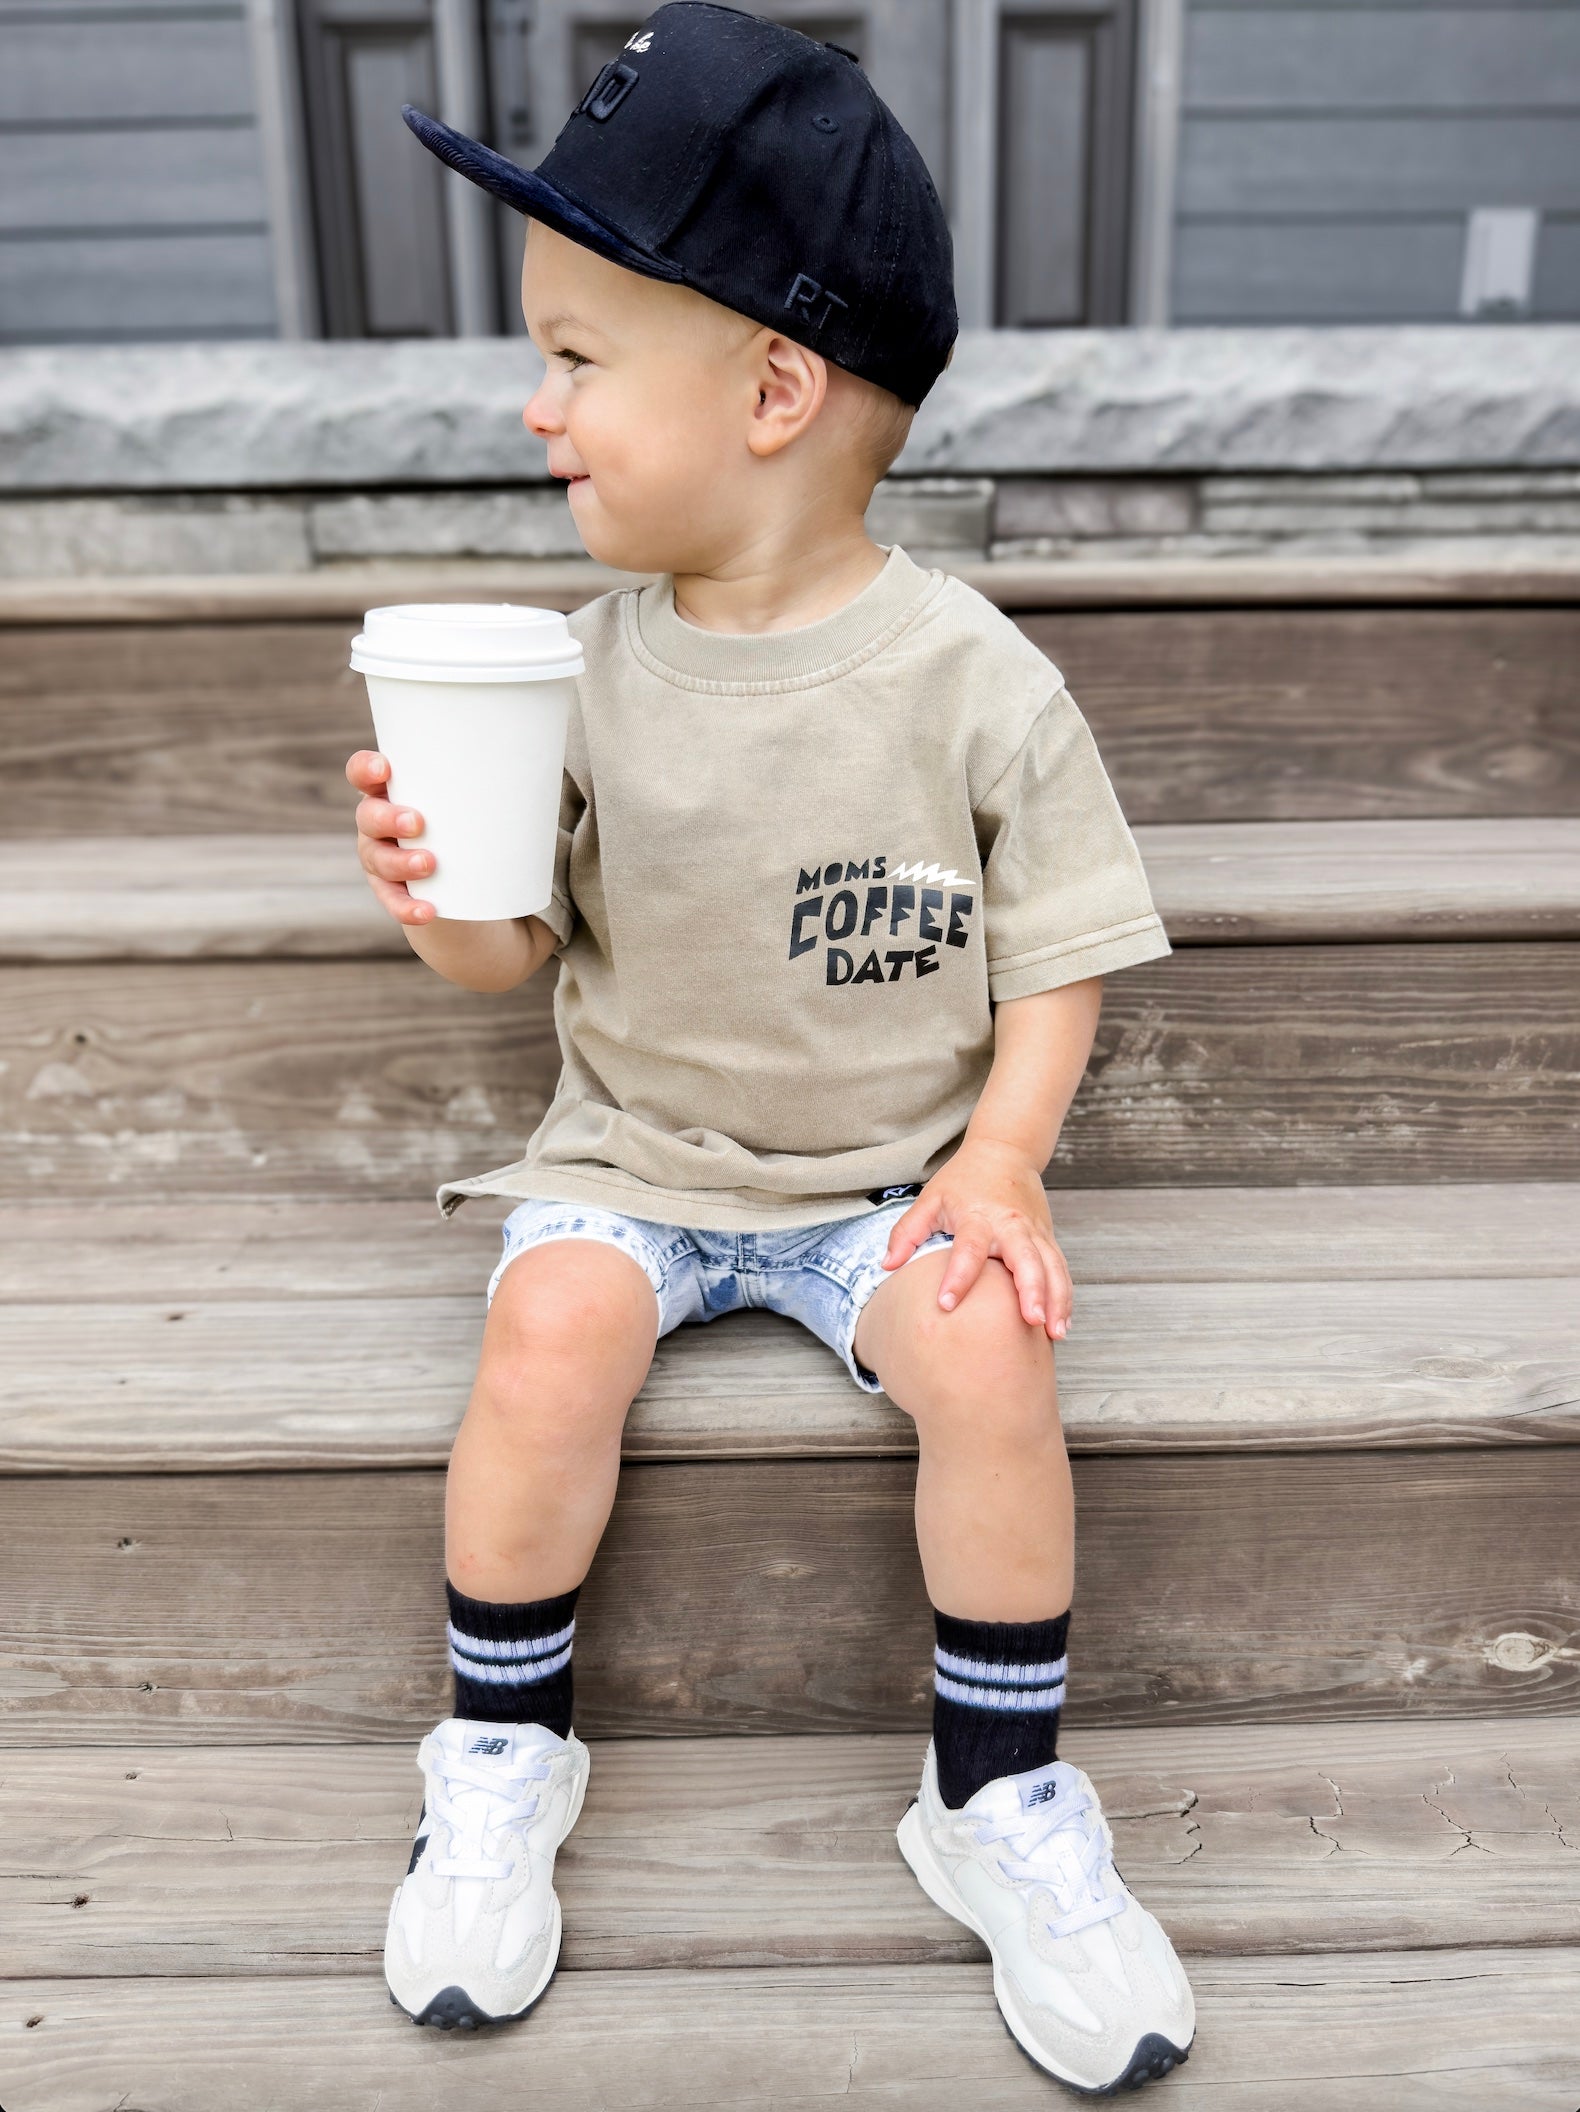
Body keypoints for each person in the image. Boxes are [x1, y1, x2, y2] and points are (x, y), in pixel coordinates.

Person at [350, 4, 1194, 2090]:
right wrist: (438, 894)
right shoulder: (571, 672)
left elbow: (1060, 953)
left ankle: (995, 1791)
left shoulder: (969, 678)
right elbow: (508, 958)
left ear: (771, 389)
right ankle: (501, 1752)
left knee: (988, 1352)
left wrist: (998, 1166)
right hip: (634, 1156)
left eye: (574, 356)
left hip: (882, 1184)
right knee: (544, 1333)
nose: (533, 405)